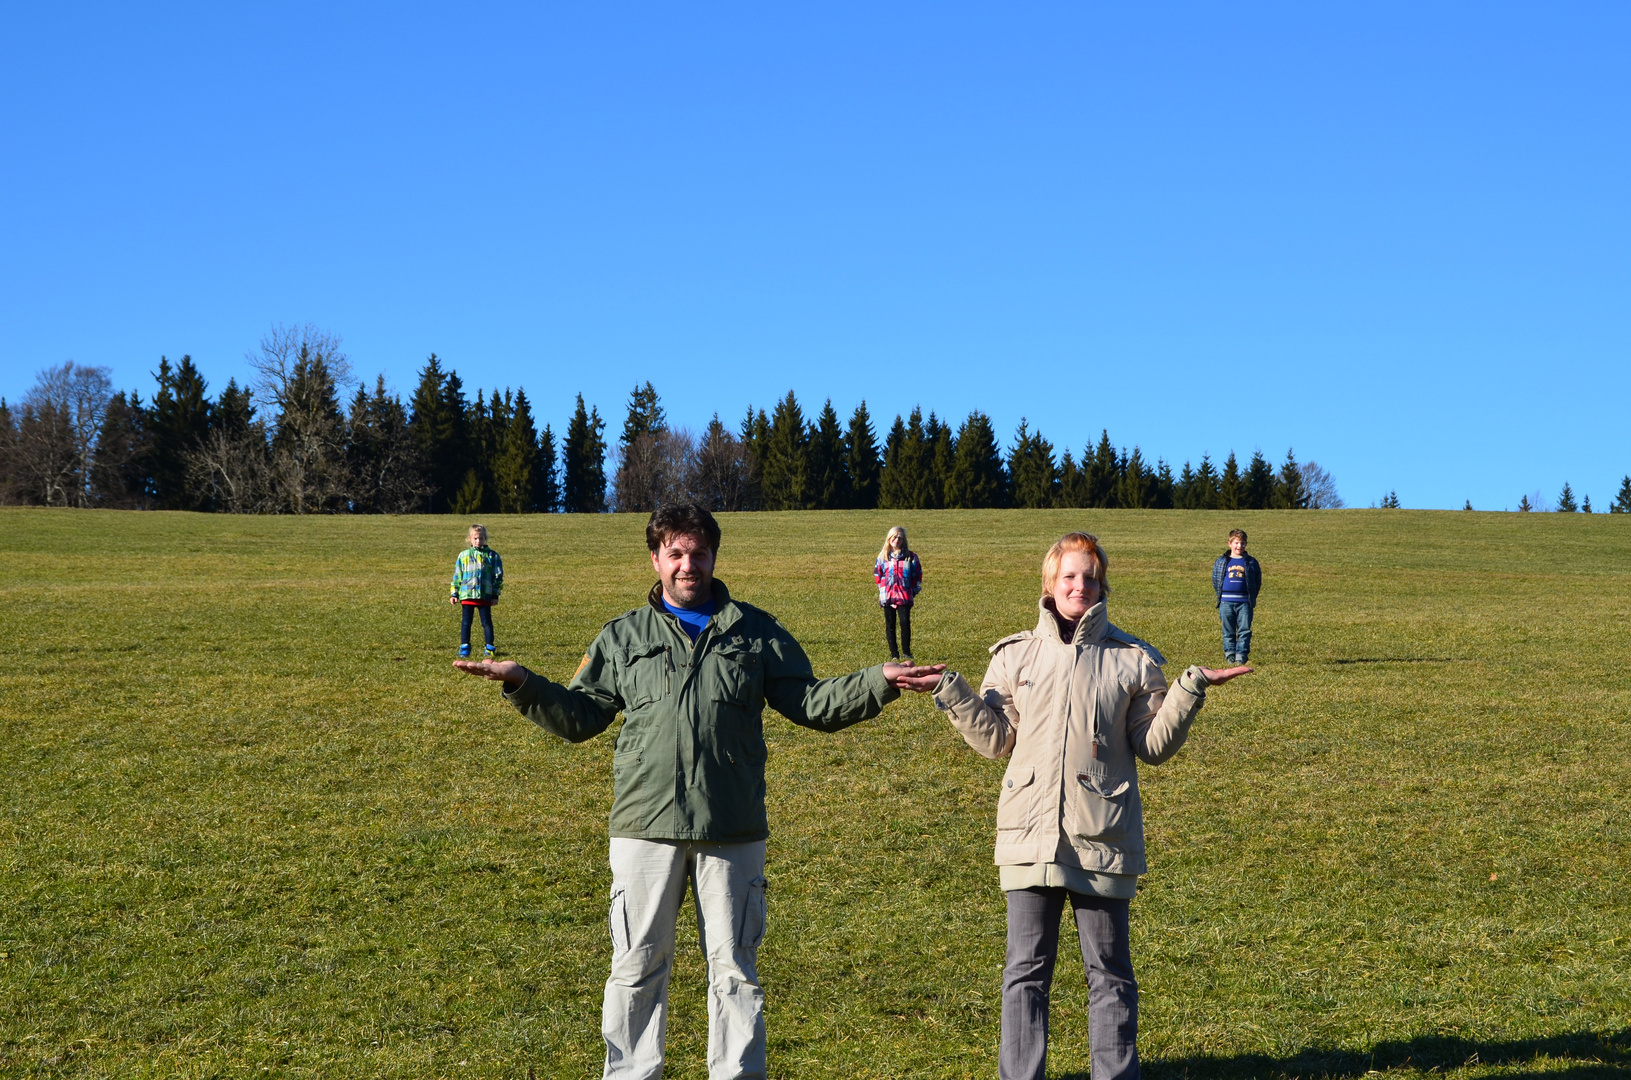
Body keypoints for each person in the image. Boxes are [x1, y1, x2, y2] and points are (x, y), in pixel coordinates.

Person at [452, 504, 943, 1079]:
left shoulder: (755, 632)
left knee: (734, 972)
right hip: (644, 827)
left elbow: (810, 702)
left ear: (714, 557)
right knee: (635, 967)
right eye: (676, 554)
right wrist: (523, 683)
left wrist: (875, 681)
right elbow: (582, 717)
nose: (688, 566)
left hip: (730, 827)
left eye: (699, 554)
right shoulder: (622, 635)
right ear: (656, 559)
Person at [923, 532, 1250, 1080]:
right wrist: (952, 690)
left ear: (1103, 586)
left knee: (1110, 974)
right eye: (1070, 576)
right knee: (1024, 974)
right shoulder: (1013, 656)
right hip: (1029, 837)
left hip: (1102, 840)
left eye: (1090, 577)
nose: (1080, 585)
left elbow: (1153, 746)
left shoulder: (1133, 659)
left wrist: (1189, 689)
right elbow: (998, 739)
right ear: (1049, 584)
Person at [449, 523, 503, 659]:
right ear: (470, 539)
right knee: (466, 622)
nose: (478, 541)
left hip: (485, 595)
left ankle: (489, 647)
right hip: (467, 595)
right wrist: (454, 592)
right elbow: (457, 575)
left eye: (481, 538)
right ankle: (465, 647)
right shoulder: (463, 555)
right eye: (475, 538)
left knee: (486, 622)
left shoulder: (492, 556)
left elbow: (498, 576)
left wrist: (495, 594)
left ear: (485, 539)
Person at [1211, 528, 1262, 664]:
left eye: (1243, 543)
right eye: (1237, 543)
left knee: (1244, 630)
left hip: (1244, 602)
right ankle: (1230, 654)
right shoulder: (1222, 561)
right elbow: (1215, 579)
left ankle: (1241, 654)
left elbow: (1257, 581)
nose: (1239, 546)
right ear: (1230, 544)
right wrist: (1221, 595)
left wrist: (1251, 596)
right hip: (1226, 602)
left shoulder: (1251, 562)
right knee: (1228, 630)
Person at [873, 525, 923, 662]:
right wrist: (883, 590)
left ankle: (906, 652)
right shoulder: (883, 557)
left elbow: (917, 576)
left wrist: (912, 591)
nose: (897, 540)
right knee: (890, 624)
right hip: (888, 596)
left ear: (903, 540)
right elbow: (878, 575)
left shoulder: (910, 557)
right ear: (889, 538)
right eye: (894, 537)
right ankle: (894, 653)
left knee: (905, 622)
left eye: (900, 538)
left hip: (904, 596)